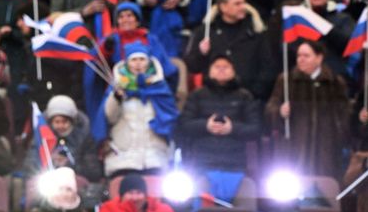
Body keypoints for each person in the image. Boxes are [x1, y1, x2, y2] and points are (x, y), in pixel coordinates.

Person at [265, 40, 350, 179]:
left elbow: (345, 113)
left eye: (306, 55)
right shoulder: (286, 81)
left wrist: (340, 134)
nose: (301, 59)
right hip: (293, 149)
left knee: (326, 192)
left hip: (326, 150)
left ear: (319, 57)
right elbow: (271, 107)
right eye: (299, 55)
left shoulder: (335, 83)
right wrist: (279, 111)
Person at [99, 42, 178, 178]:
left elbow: (170, 119)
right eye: (134, 60)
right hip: (123, 159)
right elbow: (108, 118)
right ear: (127, 63)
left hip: (155, 158)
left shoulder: (160, 87)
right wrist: (116, 98)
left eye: (142, 59)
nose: (138, 64)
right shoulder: (118, 88)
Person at [184, 0, 276, 103]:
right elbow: (193, 66)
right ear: (223, 6)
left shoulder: (256, 32)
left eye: (243, 2)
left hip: (248, 101)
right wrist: (201, 53)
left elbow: (267, 67)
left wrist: (254, 93)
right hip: (212, 100)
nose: (243, 7)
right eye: (237, 4)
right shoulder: (205, 31)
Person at [179, 55, 261, 172]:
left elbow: (255, 128)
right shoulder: (197, 95)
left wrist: (232, 128)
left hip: (235, 161)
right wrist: (206, 126)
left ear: (233, 71)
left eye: (226, 67)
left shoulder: (244, 96)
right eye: (217, 67)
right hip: (202, 161)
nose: (221, 69)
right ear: (209, 71)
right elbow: (184, 125)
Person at [26, 95, 102, 183]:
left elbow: (93, 172)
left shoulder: (84, 138)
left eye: (64, 121)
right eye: (57, 122)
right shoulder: (41, 139)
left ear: (72, 121)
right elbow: (30, 165)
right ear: (50, 122)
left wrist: (69, 164)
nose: (60, 126)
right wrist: (49, 161)